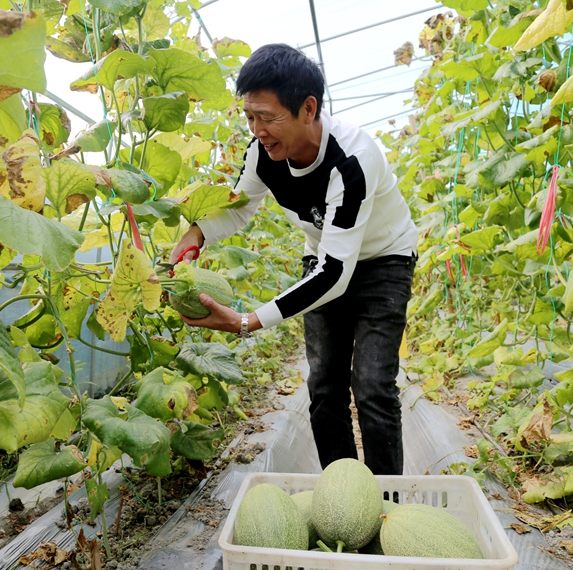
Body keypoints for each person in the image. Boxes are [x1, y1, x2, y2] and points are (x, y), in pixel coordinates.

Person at [168, 44, 418, 475]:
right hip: (326, 257)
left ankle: (387, 502)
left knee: (373, 386)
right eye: (250, 117)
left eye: (268, 117)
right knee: (324, 385)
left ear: (308, 108)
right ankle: (344, 499)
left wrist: (246, 321)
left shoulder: (353, 160)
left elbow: (335, 275)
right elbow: (241, 207)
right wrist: (197, 232)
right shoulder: (261, 154)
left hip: (384, 261)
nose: (258, 129)